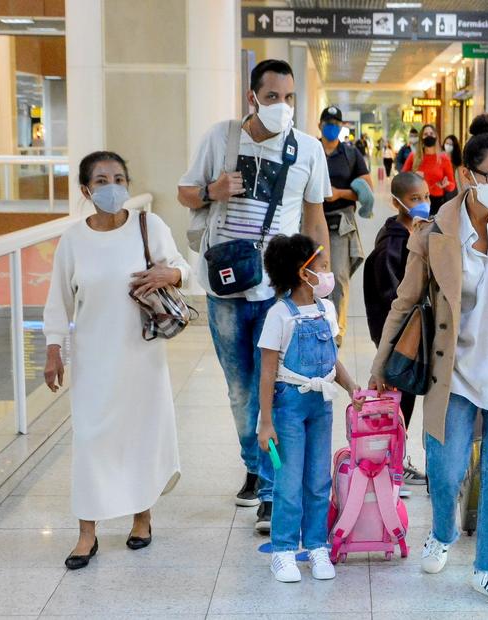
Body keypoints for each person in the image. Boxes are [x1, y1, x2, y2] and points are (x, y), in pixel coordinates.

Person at [369, 131, 488, 605]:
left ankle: (487, 568)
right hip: (456, 373)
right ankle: (441, 532)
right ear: (468, 176)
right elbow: (405, 301)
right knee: (445, 471)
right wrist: (380, 363)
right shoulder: (434, 233)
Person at [177, 59, 331, 534]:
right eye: (272, 98)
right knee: (241, 389)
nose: (281, 107)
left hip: (278, 289)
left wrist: (322, 277)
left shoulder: (307, 149)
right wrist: (212, 190)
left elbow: (314, 216)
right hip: (224, 287)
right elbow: (185, 193)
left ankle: (268, 488)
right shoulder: (221, 139)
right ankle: (258, 464)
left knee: (278, 388)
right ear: (252, 98)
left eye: (289, 99)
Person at [44, 151, 189, 570]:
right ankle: (86, 532)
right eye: (102, 180)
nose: (113, 186)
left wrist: (170, 275)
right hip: (94, 358)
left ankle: (141, 516)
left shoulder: (149, 226)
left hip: (142, 356)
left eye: (119, 178)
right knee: (90, 441)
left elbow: (183, 268)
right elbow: (59, 302)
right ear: (87, 190)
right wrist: (54, 349)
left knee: (140, 437)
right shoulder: (73, 240)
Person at [257, 234, 363, 583]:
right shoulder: (278, 315)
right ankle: (284, 550)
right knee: (288, 480)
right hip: (288, 405)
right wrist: (266, 423)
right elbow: (268, 372)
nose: (327, 273)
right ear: (304, 274)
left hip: (321, 404)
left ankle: (317, 544)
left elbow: (333, 360)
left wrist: (351, 389)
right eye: (322, 267)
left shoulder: (327, 309)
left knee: (319, 479)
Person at [362, 171, 431, 493]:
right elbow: (396, 298)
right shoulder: (393, 243)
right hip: (398, 336)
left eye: (426, 197)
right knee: (397, 400)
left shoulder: (414, 234)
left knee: (405, 399)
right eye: (415, 199)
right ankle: (391, 465)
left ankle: (396, 461)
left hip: (411, 335)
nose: (423, 204)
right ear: (397, 202)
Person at [319, 105, 372, 346]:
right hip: (312, 221)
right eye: (328, 122)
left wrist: (339, 193)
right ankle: (314, 322)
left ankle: (337, 332)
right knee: (312, 276)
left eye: (336, 123)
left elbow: (366, 190)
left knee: (339, 276)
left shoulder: (351, 155)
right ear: (320, 125)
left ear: (341, 127)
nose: (332, 127)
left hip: (340, 222)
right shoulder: (310, 150)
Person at [402, 124, 456, 215]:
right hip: (417, 201)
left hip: (437, 203)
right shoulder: (413, 156)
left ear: (436, 136)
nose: (429, 136)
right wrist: (413, 176)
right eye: (426, 134)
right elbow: (401, 179)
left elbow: (452, 185)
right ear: (421, 138)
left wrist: (446, 184)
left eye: (431, 133)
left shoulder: (444, 158)